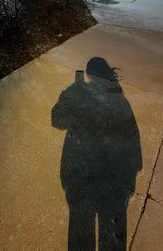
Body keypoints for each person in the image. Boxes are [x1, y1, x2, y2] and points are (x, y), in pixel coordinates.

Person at [52, 57, 142, 251]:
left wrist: (71, 94)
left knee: (81, 233)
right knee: (110, 236)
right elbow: (134, 143)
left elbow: (57, 120)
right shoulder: (120, 100)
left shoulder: (83, 98)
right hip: (111, 185)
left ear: (90, 76)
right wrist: (130, 178)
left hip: (81, 180)